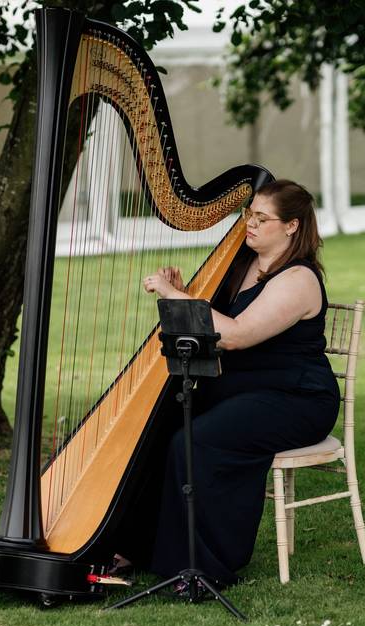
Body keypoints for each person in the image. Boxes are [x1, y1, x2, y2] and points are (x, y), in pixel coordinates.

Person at [120, 179, 340, 590]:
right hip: (244, 390)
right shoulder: (243, 265)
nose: (249, 224)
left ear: (292, 226)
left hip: (295, 398)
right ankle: (141, 546)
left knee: (198, 440)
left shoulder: (298, 280)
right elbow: (210, 324)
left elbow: (236, 334)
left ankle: (202, 565)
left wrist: (173, 295)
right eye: (247, 214)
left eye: (261, 218)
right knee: (158, 428)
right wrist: (183, 294)